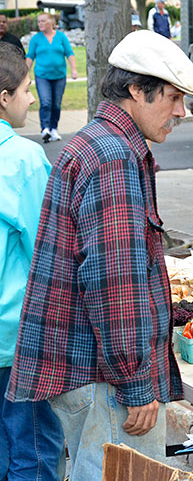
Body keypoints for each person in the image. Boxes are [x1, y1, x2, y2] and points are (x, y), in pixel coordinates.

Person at [6, 30, 193, 480]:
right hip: (103, 379)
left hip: (91, 372)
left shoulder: (96, 143)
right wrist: (137, 384)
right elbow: (114, 285)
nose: (181, 112)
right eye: (173, 98)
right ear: (136, 90)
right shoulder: (114, 156)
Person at [0, 42, 64, 481]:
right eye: (26, 89)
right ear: (4, 98)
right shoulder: (22, 158)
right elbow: (49, 253)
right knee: (35, 454)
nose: (33, 98)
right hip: (17, 338)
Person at [26, 12, 78, 143]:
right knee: (46, 102)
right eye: (39, 21)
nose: (40, 24)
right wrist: (25, 74)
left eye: (43, 21)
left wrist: (74, 70)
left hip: (59, 76)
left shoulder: (61, 37)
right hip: (42, 76)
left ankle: (53, 128)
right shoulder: (36, 39)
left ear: (51, 23)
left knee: (56, 104)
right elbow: (30, 56)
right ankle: (45, 129)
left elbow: (69, 53)